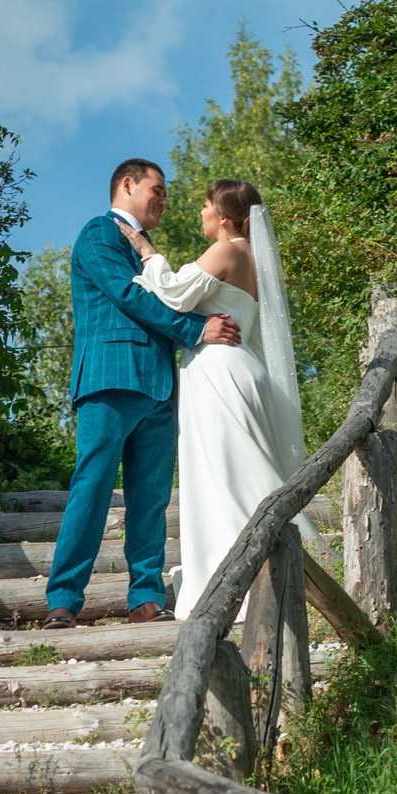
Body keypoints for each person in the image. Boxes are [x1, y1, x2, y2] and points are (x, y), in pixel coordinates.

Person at [43, 159, 242, 629]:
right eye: (157, 189)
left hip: (159, 385)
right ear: (127, 184)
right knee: (91, 488)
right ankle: (64, 599)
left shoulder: (144, 247)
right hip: (111, 379)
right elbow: (130, 298)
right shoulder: (99, 233)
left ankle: (146, 597)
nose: (163, 201)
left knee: (150, 498)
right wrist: (196, 329)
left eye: (166, 195)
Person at [120, 179, 308, 618]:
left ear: (224, 219)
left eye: (205, 207)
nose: (200, 213)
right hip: (239, 366)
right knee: (231, 469)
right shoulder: (254, 258)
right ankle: (254, 568)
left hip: (220, 371)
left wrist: (149, 254)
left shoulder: (229, 249)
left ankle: (249, 577)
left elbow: (175, 293)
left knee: (226, 473)